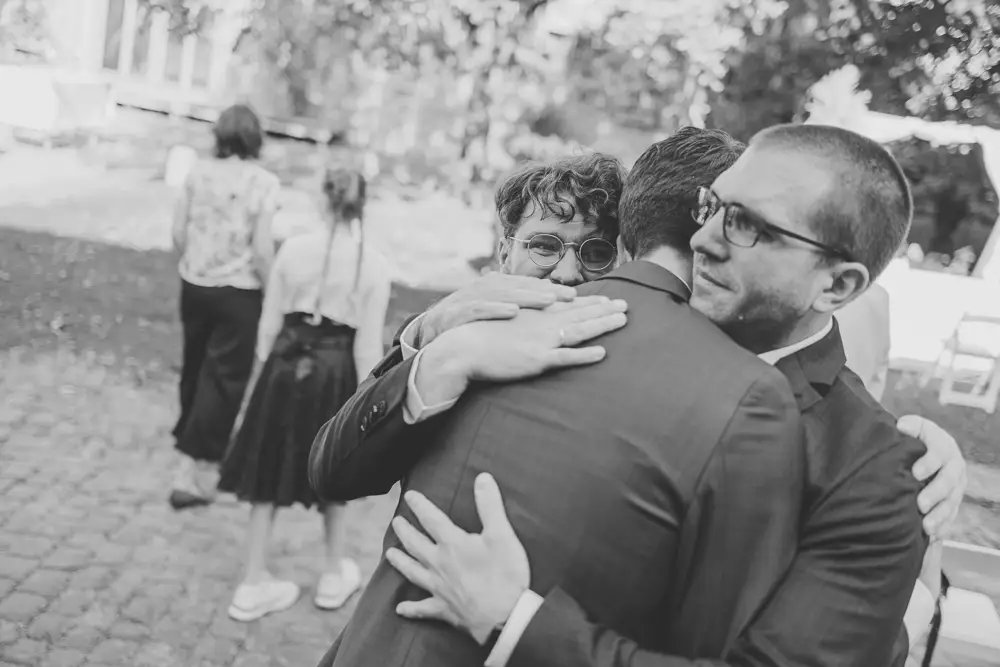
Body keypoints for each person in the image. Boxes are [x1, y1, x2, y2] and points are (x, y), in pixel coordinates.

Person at [312, 126, 967, 667]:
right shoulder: (548, 333)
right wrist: (432, 345)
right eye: (712, 206)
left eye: (744, 225)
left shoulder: (877, 467)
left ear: (838, 285)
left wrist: (518, 624)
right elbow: (335, 467)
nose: (703, 236)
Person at [217, 165, 390, 621]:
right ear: (361, 203)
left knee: (266, 460)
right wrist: (362, 404)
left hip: (284, 364)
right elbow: (367, 346)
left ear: (322, 199)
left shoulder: (293, 250)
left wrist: (263, 373)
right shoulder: (373, 263)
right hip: (334, 374)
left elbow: (269, 323)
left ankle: (253, 580)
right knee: (332, 463)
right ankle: (334, 572)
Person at [170, 104, 279, 510]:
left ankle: (190, 457)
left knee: (195, 370)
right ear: (254, 138)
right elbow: (263, 250)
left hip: (194, 284)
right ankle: (195, 470)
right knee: (225, 381)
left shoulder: (197, 172)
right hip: (239, 292)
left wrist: (194, 262)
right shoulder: (263, 183)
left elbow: (178, 231)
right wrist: (273, 295)